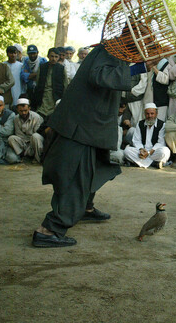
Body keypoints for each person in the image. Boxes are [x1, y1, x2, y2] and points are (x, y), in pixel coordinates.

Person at [32, 43, 144, 248]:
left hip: (90, 128)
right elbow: (100, 75)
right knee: (76, 177)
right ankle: (49, 230)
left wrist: (140, 66)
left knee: (95, 168)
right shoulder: (110, 50)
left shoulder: (114, 52)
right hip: (80, 129)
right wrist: (140, 67)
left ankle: (86, 208)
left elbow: (110, 75)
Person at [124, 103, 172, 168]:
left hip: (154, 152)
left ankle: (139, 162)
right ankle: (154, 163)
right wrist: (141, 150)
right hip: (142, 152)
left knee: (165, 151)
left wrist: (149, 152)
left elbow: (161, 142)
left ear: (156, 114)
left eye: (152, 114)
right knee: (127, 151)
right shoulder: (140, 124)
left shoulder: (162, 124)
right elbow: (136, 140)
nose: (150, 116)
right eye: (147, 114)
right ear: (145, 114)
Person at [6, 97, 44, 164]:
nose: (23, 113)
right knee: (11, 138)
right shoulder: (16, 119)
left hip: (34, 142)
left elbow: (37, 132)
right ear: (17, 110)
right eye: (21, 111)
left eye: (25, 110)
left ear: (29, 108)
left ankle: (38, 159)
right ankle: (23, 156)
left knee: (36, 136)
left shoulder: (36, 117)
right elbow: (19, 134)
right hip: (24, 142)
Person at [32, 47, 65, 118]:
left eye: (56, 57)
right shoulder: (42, 67)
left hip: (55, 97)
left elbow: (65, 84)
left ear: (59, 57)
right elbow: (38, 82)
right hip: (43, 96)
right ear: (48, 56)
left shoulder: (61, 68)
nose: (54, 59)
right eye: (52, 56)